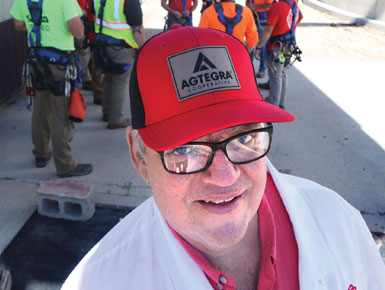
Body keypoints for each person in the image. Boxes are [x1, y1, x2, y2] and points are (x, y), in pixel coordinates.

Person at [61, 27, 385, 290]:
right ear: (139, 156)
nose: (225, 176)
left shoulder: (340, 222)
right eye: (185, 149)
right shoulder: (98, 281)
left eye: (244, 137)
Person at [10, 0, 93, 178]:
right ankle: (65, 165)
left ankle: (41, 153)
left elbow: (17, 24)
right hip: (60, 64)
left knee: (40, 109)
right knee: (61, 114)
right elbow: (78, 32)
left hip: (36, 60)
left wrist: (39, 26)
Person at [94, 0, 145, 129]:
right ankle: (116, 119)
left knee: (109, 78)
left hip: (102, 44)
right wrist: (143, 48)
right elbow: (137, 28)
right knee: (120, 82)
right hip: (122, 47)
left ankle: (107, 112)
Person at [255, 0, 303, 109]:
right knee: (283, 73)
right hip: (288, 45)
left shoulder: (278, 6)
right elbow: (300, 16)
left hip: (277, 47)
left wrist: (259, 46)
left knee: (275, 75)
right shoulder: (293, 4)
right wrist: (290, 29)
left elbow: (268, 29)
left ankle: (273, 105)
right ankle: (280, 102)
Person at [246, 0, 273, 78]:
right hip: (252, 15)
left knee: (262, 44)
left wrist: (255, 7)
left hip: (262, 17)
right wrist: (249, 6)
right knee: (250, 42)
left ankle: (262, 69)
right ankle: (248, 69)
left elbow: (269, 4)